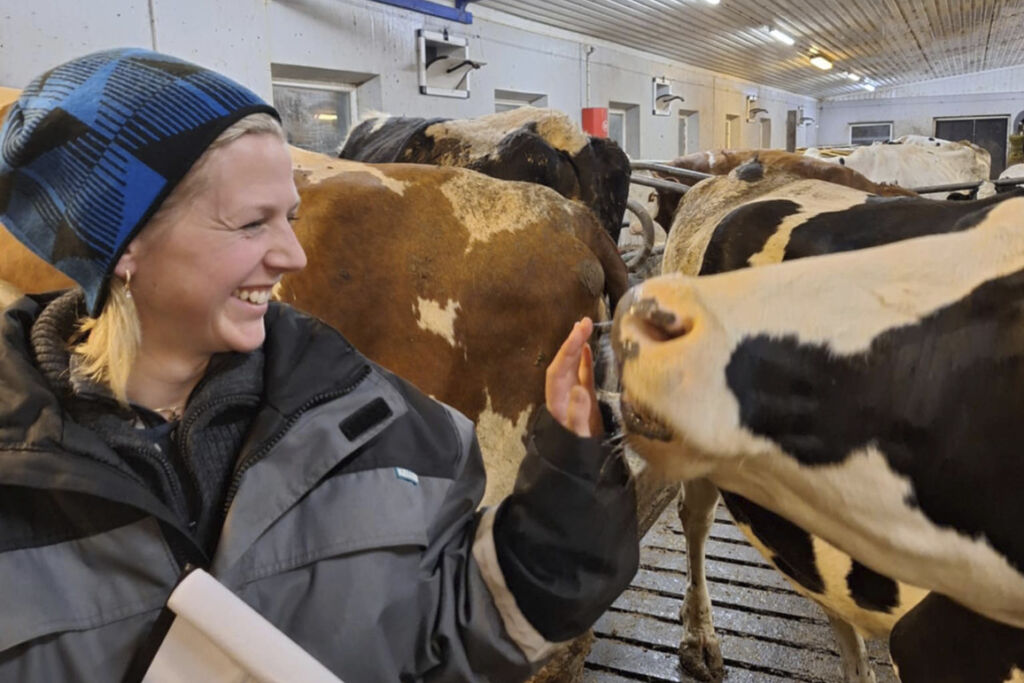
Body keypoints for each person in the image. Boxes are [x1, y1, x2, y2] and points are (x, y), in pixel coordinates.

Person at [0, 48, 638, 681]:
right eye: (252, 224)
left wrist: (572, 485)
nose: (293, 256)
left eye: (291, 218)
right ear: (123, 245)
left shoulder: (386, 423)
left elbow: (459, 619)